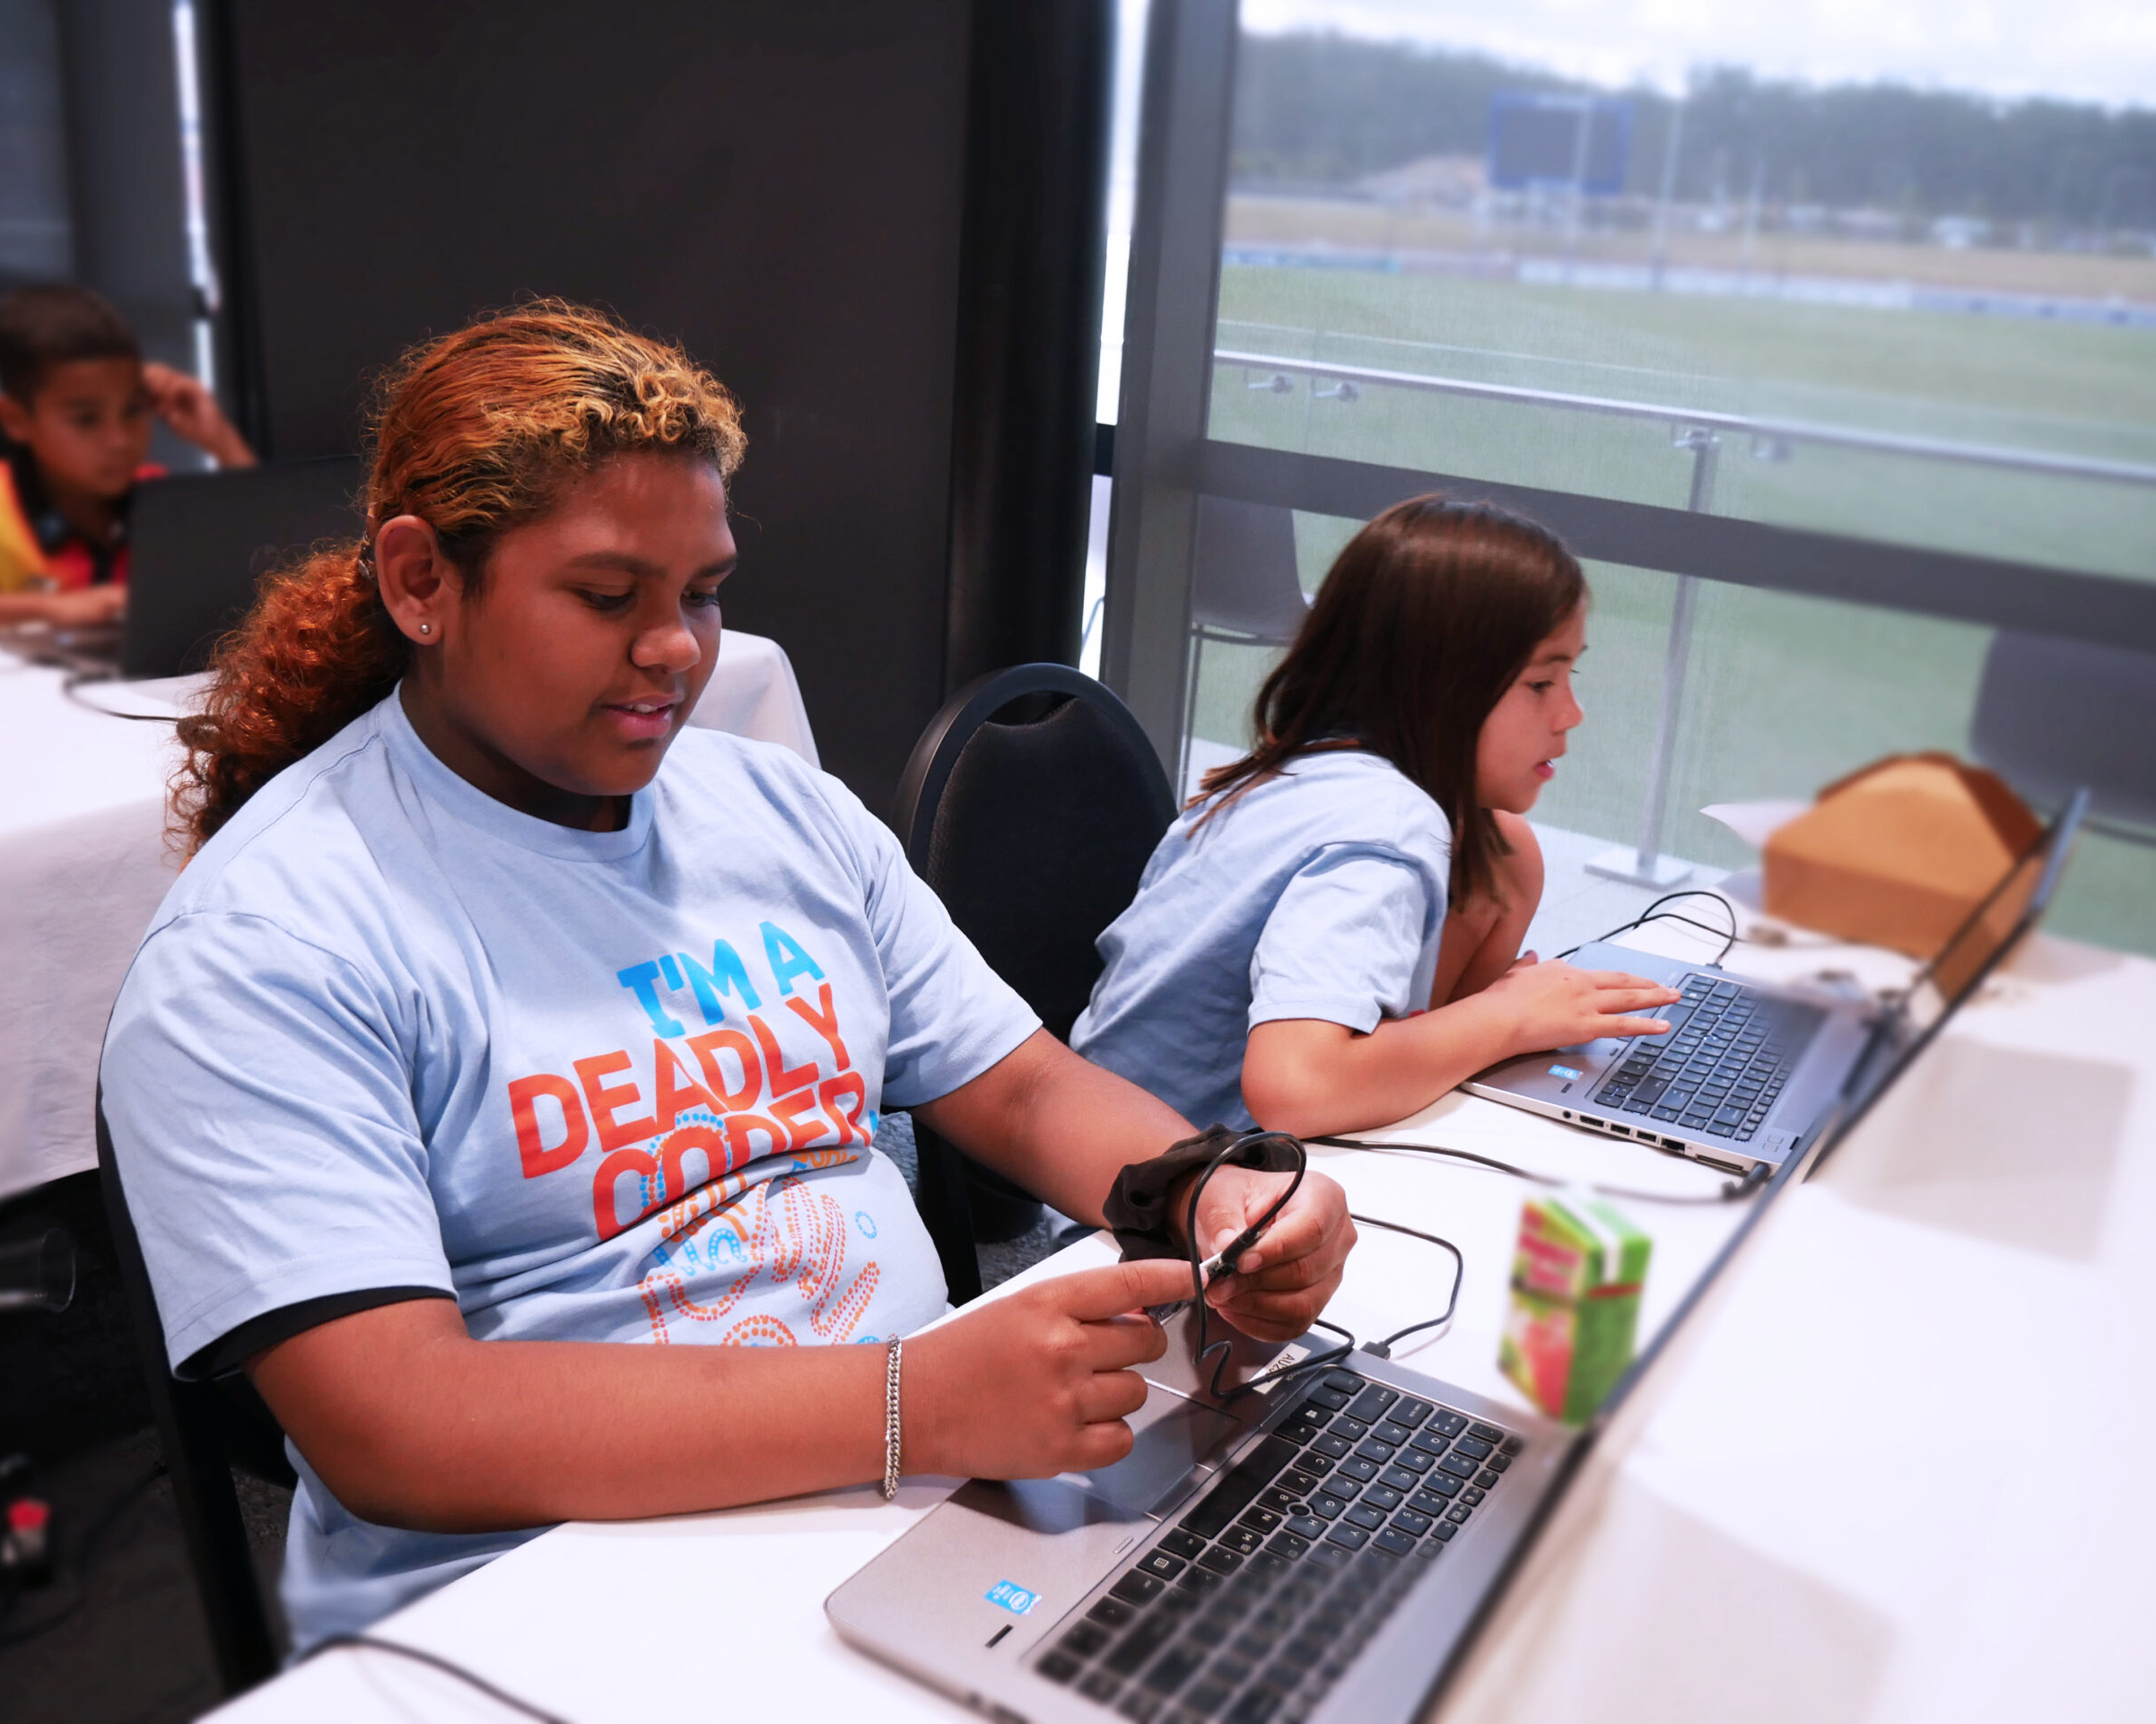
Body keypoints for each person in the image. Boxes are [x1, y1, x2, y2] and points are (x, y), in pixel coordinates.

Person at [99, 301, 1357, 1649]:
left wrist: (1213, 1193)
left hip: (911, 1504)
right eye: (606, 596)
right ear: (421, 583)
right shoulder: (271, 941)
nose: (679, 649)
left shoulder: (781, 814)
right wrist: (909, 1404)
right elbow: (400, 1429)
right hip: (555, 1603)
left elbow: (1030, 1092)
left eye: (702, 591)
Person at [1071, 495, 1681, 1139]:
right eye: (1540, 684)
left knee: (1505, 855)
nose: (1571, 714)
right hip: (1159, 1193)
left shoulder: (1315, 770)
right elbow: (1297, 1088)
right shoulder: (1387, 823)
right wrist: (1508, 1015)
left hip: (1123, 1136)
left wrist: (1493, 1020)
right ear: (1438, 683)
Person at [0, 283, 255, 638]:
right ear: (15, 420)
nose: (120, 440)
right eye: (86, 419)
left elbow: (279, 567)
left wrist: (221, 440)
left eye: (134, 410)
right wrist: (46, 608)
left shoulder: (159, 497)